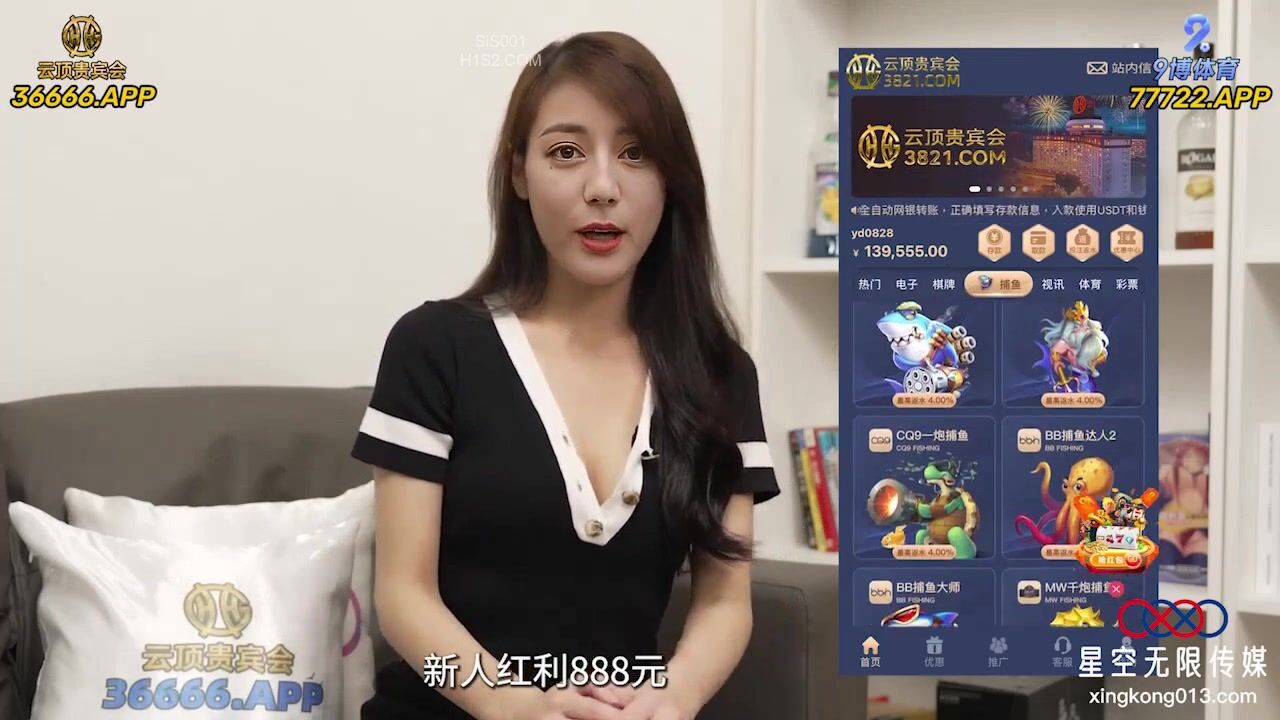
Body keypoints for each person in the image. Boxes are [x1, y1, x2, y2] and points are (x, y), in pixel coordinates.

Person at [351, 30, 779, 720]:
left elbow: (725, 603)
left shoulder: (720, 373)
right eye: (565, 153)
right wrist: (517, 707)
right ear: (519, 174)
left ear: (670, 179)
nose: (603, 188)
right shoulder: (434, 346)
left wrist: (672, 699)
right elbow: (403, 599)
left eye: (636, 154)